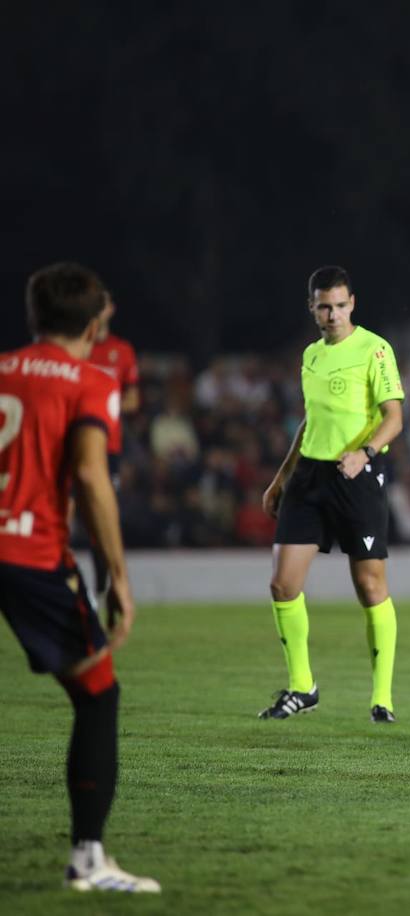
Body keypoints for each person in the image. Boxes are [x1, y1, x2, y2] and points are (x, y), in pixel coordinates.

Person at [0, 263, 159, 892]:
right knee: (97, 692)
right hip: (29, 556)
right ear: (94, 325)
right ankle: (88, 860)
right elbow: (92, 478)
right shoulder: (92, 380)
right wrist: (118, 577)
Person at [260, 266, 405, 723]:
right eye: (324, 306)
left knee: (369, 585)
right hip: (309, 475)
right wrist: (282, 476)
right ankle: (302, 687)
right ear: (313, 308)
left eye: (340, 305)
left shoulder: (375, 349)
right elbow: (310, 420)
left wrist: (365, 452)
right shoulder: (311, 356)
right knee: (283, 584)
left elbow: (394, 417)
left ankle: (382, 697)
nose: (333, 313)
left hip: (356, 476)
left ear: (352, 304)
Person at [83, 291, 140, 604]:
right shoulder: (79, 347)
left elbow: (133, 400)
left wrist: (95, 405)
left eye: (102, 303)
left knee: (101, 519)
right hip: (71, 445)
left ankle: (103, 586)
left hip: (107, 448)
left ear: (111, 309)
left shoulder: (121, 350)